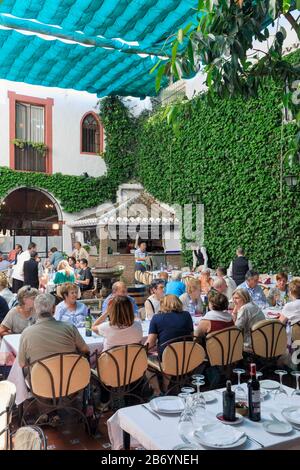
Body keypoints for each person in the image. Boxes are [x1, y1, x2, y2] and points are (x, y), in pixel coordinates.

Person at [18, 293, 89, 368]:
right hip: (68, 376)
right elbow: (85, 350)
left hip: (41, 378)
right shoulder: (70, 328)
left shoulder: (26, 333)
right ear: (54, 308)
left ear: (35, 309)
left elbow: (22, 363)